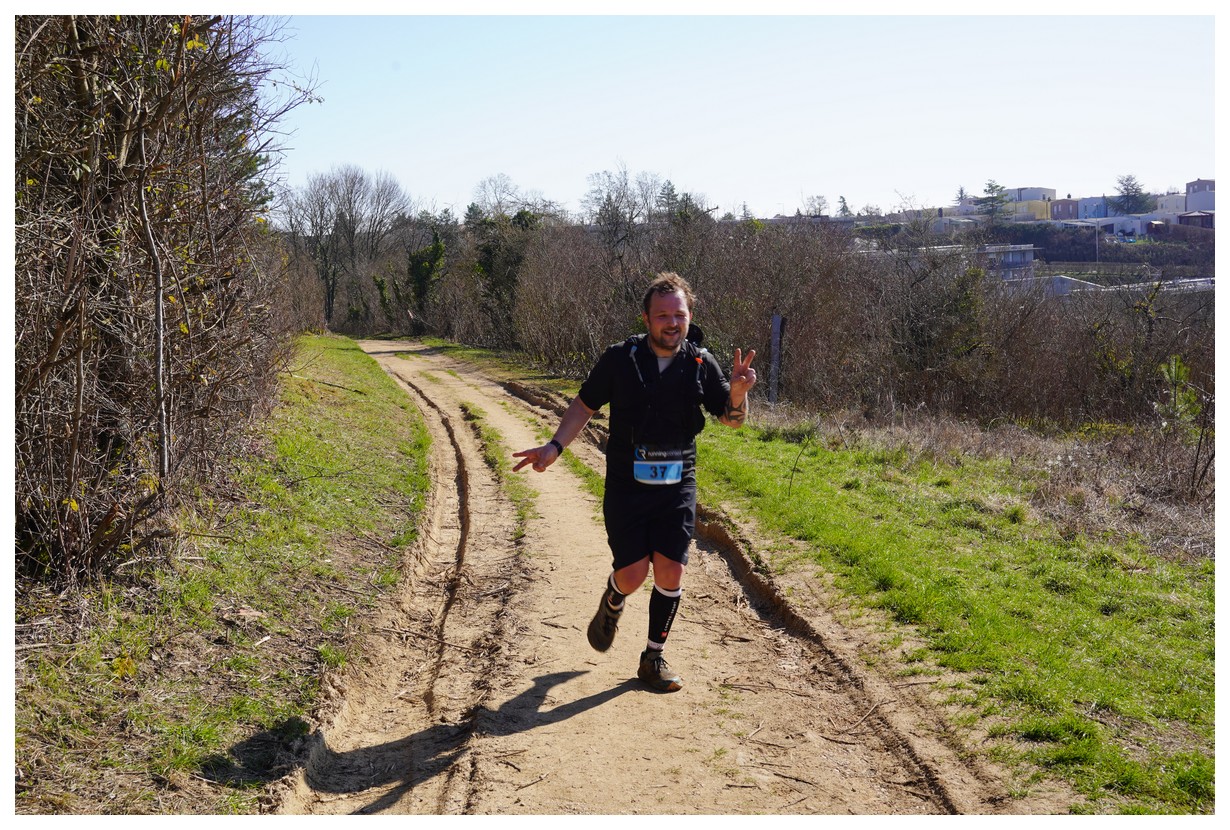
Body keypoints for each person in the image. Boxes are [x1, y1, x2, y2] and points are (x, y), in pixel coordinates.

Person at [513, 272, 757, 692]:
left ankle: (652, 657)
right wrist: (554, 447)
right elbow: (584, 405)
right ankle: (613, 599)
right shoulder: (620, 359)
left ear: (689, 315)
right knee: (632, 574)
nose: (672, 323)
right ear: (646, 318)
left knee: (671, 570)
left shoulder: (701, 362)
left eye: (679, 315)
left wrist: (737, 393)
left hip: (678, 482)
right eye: (662, 315)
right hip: (627, 483)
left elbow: (731, 420)